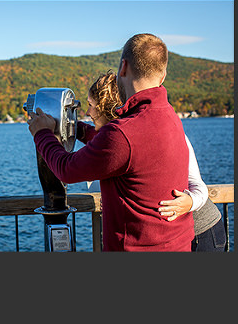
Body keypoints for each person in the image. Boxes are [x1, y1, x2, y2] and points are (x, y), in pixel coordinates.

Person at [28, 33, 192, 251]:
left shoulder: (124, 133)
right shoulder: (168, 116)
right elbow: (118, 151)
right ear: (162, 75)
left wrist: (42, 133)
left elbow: (67, 170)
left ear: (123, 67)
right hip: (178, 245)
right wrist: (73, 127)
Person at [85, 70, 227, 252]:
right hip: (170, 236)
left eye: (91, 105)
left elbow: (198, 185)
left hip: (202, 232)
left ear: (106, 108)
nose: (88, 112)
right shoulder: (118, 141)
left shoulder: (164, 131)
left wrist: (190, 202)